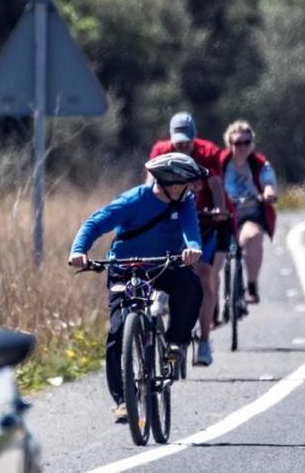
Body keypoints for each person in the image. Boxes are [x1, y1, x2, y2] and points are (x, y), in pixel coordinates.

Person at [68, 152, 207, 423]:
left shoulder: (185, 202)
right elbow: (95, 223)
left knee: (190, 284)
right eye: (186, 183)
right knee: (118, 331)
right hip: (125, 268)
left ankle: (176, 343)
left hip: (163, 266)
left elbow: (191, 231)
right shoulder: (134, 200)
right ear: (171, 183)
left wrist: (193, 247)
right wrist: (79, 250)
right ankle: (122, 400)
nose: (190, 188)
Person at [147, 112, 229, 367]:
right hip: (170, 222)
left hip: (202, 223)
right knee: (161, 264)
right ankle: (161, 304)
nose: (182, 146)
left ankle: (204, 341)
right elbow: (150, 181)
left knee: (204, 274)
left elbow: (215, 185)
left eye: (187, 141)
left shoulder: (207, 152)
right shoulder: (161, 150)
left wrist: (218, 209)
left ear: (194, 137)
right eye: (178, 141)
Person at [220, 120, 278, 304]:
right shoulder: (220, 163)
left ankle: (251, 285)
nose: (242, 147)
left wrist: (268, 193)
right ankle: (212, 309)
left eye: (246, 142)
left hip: (250, 212)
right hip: (224, 212)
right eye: (237, 143)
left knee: (251, 236)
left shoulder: (259, 164)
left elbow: (268, 182)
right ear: (229, 144)